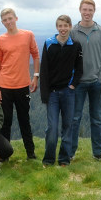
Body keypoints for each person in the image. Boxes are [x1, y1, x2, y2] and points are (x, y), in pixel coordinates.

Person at [0, 8, 40, 160]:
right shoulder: (0, 40)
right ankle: (4, 155)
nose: (8, 22)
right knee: (5, 122)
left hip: (22, 85)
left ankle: (30, 154)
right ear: (2, 23)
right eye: (5, 20)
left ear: (16, 18)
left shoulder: (28, 35)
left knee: (24, 120)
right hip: (5, 85)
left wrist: (35, 76)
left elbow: (36, 55)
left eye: (10, 18)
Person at [69, 0, 101, 161]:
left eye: (90, 10)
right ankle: (71, 153)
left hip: (96, 83)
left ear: (94, 11)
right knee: (74, 119)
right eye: (84, 9)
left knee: (97, 119)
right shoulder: (73, 32)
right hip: (78, 83)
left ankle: (98, 153)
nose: (87, 12)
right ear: (80, 10)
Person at [40, 15, 83, 167]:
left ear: (70, 26)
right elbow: (44, 69)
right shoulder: (49, 43)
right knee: (52, 128)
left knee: (68, 126)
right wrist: (44, 94)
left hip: (68, 92)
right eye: (60, 26)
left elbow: (79, 68)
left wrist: (73, 85)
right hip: (52, 93)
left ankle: (64, 159)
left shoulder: (75, 45)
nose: (63, 29)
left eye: (66, 25)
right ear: (56, 27)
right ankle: (49, 159)